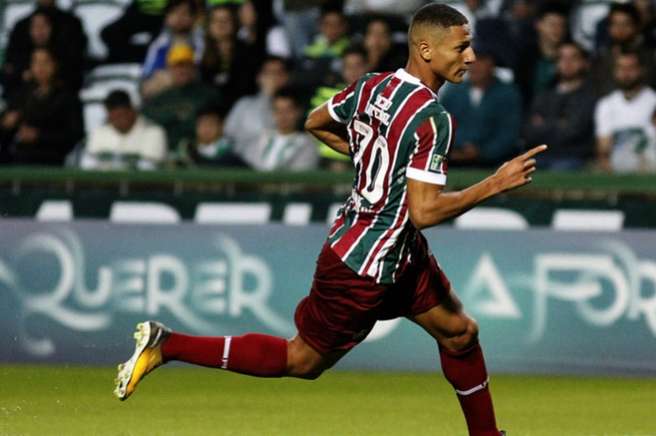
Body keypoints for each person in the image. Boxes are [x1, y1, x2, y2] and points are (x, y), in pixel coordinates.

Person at [114, 5, 547, 436]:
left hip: (398, 250)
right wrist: (495, 183)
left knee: (459, 332)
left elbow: (315, 122)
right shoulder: (434, 119)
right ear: (426, 49)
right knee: (302, 360)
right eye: (462, 47)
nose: (471, 57)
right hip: (363, 264)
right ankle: (168, 345)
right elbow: (425, 211)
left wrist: (371, 155)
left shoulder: (372, 86)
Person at [0, 47, 83, 166]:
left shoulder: (68, 98)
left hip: (51, 161)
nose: (40, 67)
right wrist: (6, 124)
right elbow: (6, 130)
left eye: (45, 62)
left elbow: (75, 135)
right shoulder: (21, 94)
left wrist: (39, 136)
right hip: (17, 160)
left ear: (55, 65)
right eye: (36, 62)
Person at [523, 41, 596, 170]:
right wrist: (560, 123)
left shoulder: (590, 97)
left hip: (574, 158)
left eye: (573, 58)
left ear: (585, 63)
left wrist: (544, 124)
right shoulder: (544, 95)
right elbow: (529, 132)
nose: (567, 63)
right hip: (541, 157)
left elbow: (575, 132)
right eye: (562, 58)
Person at [441, 51, 522, 167]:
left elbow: (509, 133)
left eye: (481, 60)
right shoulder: (453, 92)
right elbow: (443, 126)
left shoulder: (508, 94)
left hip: (495, 163)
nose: (475, 66)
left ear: (492, 64)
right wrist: (460, 148)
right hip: (454, 160)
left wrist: (482, 152)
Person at [142, 43, 221, 158]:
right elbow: (146, 118)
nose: (182, 70)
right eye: (177, 66)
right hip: (164, 155)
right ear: (169, 69)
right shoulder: (160, 98)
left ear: (194, 68)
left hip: (201, 154)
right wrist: (175, 114)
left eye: (186, 65)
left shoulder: (209, 95)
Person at [595, 50, 656, 173]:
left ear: (641, 70)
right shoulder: (606, 104)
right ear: (614, 72)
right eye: (621, 68)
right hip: (614, 170)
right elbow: (603, 147)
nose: (625, 73)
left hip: (648, 168)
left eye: (631, 68)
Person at [80, 90, 167, 170]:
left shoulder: (154, 132)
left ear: (132, 111)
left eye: (122, 115)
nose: (120, 121)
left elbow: (149, 168)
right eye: (115, 117)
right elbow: (88, 166)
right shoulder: (99, 133)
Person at [236, 88, 319, 171]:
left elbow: (300, 177)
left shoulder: (307, 145)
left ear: (298, 112)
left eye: (288, 111)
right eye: (278, 110)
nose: (282, 116)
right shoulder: (261, 138)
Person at [224, 56, 290, 151]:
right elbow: (227, 135)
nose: (273, 77)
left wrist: (268, 95)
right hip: (239, 161)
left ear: (286, 78)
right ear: (258, 78)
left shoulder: (293, 108)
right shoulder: (243, 104)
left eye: (278, 73)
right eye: (268, 73)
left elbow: (269, 134)